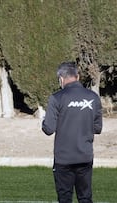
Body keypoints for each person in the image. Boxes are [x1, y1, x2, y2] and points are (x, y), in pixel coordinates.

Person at [42, 62, 103, 203]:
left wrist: (44, 121)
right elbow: (97, 128)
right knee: (85, 198)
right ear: (78, 76)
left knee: (64, 198)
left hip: (63, 159)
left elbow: (48, 129)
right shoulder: (93, 98)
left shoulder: (56, 98)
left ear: (61, 79)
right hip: (85, 156)